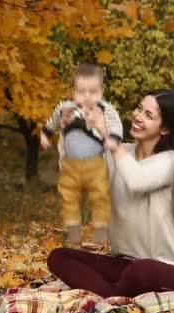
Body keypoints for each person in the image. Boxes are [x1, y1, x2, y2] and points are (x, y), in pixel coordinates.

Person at [47, 89, 174, 298]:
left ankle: (108, 291)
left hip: (166, 268)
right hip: (126, 262)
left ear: (165, 128)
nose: (138, 117)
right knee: (59, 257)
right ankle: (114, 291)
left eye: (149, 115)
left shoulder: (171, 160)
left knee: (141, 271)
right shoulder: (122, 153)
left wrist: (110, 140)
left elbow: (137, 181)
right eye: (139, 109)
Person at [41, 64, 123, 246]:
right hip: (70, 165)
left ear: (101, 91)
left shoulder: (105, 110)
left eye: (93, 92)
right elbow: (52, 123)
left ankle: (101, 236)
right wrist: (45, 135)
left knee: (100, 196)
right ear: (73, 91)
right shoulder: (65, 108)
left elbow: (117, 126)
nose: (87, 97)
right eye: (81, 91)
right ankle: (74, 234)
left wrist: (113, 138)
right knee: (68, 196)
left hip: (96, 164)